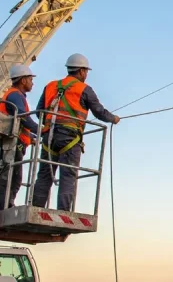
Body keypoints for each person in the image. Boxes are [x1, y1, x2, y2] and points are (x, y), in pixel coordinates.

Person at [32, 53, 119, 211]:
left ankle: (35, 209)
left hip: (48, 137)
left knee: (44, 174)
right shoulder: (84, 89)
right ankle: (63, 214)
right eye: (86, 71)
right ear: (81, 71)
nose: (86, 75)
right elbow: (99, 112)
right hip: (70, 138)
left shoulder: (50, 86)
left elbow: (39, 112)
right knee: (68, 175)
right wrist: (113, 119)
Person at [0, 65, 39, 209]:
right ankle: (4, 207)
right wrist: (40, 130)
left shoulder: (13, 94)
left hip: (14, 142)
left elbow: (17, 123)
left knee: (12, 178)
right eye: (30, 79)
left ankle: (6, 205)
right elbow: (23, 117)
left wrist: (32, 136)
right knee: (11, 178)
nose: (32, 82)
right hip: (12, 144)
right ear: (23, 80)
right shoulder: (15, 95)